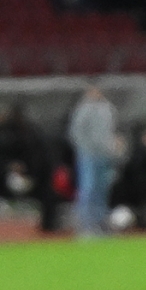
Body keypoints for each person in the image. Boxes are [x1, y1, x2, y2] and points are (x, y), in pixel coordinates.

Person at [67, 86, 118, 238]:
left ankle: (100, 224)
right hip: (88, 155)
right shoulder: (83, 109)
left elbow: (110, 131)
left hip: (105, 155)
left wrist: (111, 148)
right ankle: (85, 225)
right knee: (88, 188)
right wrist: (85, 149)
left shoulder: (108, 109)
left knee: (102, 190)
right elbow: (75, 133)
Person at [0, 103, 59, 234]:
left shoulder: (31, 134)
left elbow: (40, 159)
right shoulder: (6, 135)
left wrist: (29, 174)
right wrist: (9, 166)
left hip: (31, 178)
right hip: (6, 178)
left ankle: (48, 229)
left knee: (49, 195)